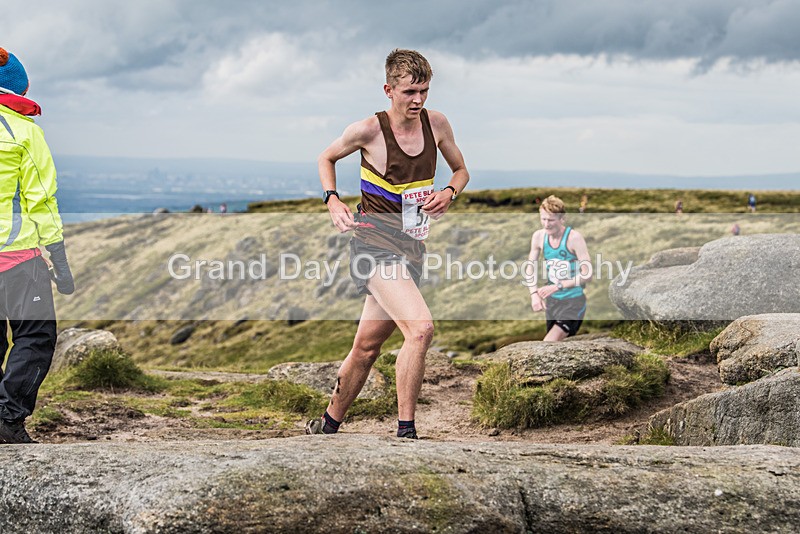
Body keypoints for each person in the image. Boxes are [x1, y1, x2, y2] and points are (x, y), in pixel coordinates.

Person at [306, 49, 469, 439]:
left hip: (411, 249)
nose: (418, 100)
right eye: (410, 92)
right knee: (421, 330)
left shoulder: (438, 124)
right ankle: (406, 431)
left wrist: (449, 192)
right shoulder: (369, 130)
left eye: (424, 91)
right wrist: (332, 200)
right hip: (372, 247)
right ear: (389, 89)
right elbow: (326, 158)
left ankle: (326, 425)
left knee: (366, 348)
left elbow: (461, 171)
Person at [0, 47, 74, 444]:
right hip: (16, 261)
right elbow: (41, 201)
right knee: (36, 336)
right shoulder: (24, 132)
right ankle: (9, 419)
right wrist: (59, 261)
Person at [525, 195, 591, 341]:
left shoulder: (574, 238)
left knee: (549, 342)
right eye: (543, 219)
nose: (546, 224)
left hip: (573, 301)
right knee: (557, 346)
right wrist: (534, 294)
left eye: (551, 220)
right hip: (552, 303)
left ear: (562, 219)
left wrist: (558, 286)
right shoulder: (538, 237)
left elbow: (588, 274)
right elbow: (530, 267)